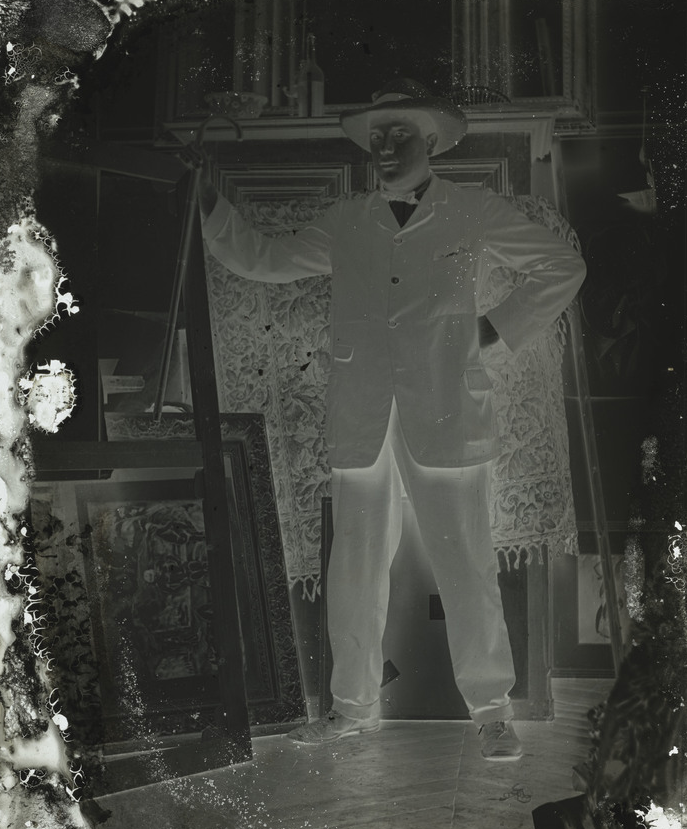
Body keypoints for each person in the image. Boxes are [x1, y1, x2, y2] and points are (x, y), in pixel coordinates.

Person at [196, 79, 586, 759]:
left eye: (398, 133)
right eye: (376, 136)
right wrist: (207, 203)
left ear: (429, 141)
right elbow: (266, 259)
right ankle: (350, 707)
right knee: (353, 568)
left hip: (449, 409)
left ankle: (491, 710)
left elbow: (561, 264)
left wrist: (492, 331)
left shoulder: (474, 210)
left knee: (466, 565)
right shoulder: (346, 221)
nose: (383, 146)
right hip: (362, 415)